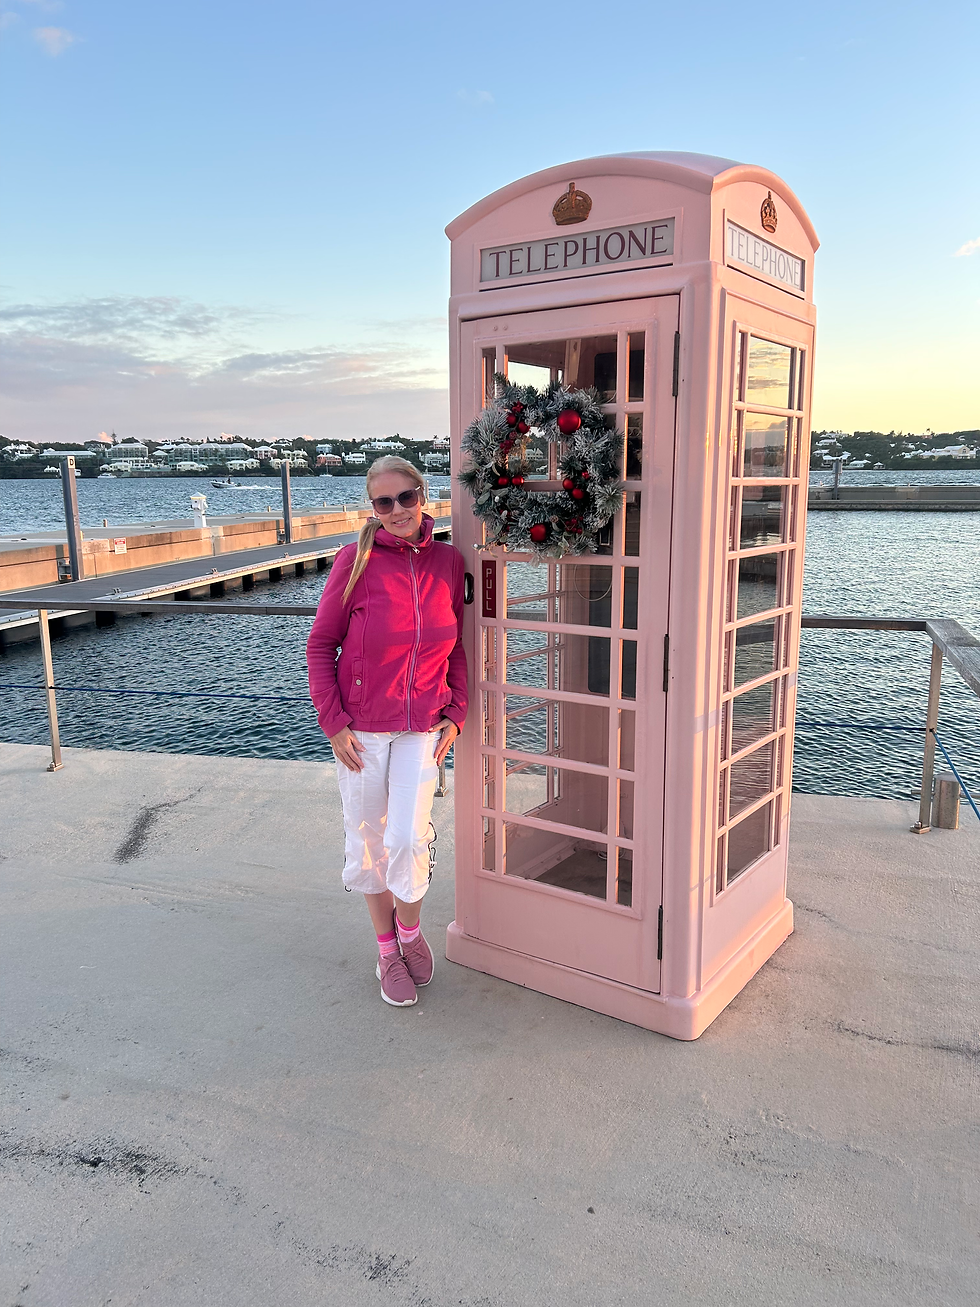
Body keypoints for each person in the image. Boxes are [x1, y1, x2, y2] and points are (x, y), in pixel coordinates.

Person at [306, 457, 467, 1007]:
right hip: (363, 732)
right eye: (383, 502)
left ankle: (411, 932)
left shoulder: (448, 562)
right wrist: (334, 724)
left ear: (424, 496)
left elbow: (457, 647)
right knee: (368, 841)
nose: (396, 511)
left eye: (405, 498)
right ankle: (385, 950)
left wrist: (459, 712)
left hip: (423, 725)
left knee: (407, 837)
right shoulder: (356, 560)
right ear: (372, 508)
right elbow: (320, 645)